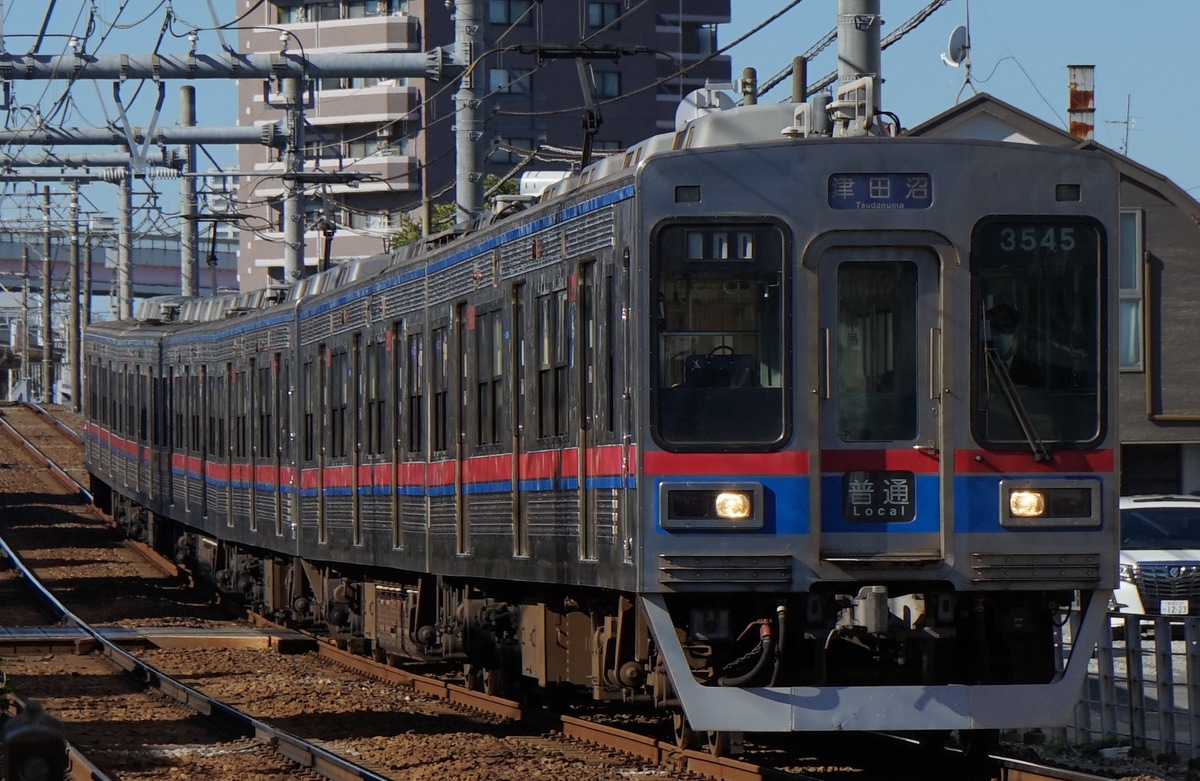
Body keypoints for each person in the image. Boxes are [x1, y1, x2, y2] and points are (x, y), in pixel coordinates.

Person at [986, 304, 1043, 386]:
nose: (1003, 332)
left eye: (1008, 327)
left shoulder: (1029, 370)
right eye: (997, 328)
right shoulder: (977, 366)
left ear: (1016, 334)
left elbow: (1035, 396)